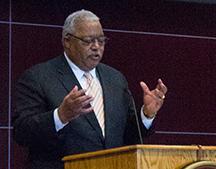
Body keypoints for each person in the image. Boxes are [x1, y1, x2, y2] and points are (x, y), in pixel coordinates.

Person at [13, 9, 167, 169]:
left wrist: (147, 115)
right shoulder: (38, 77)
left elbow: (129, 137)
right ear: (67, 41)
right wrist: (60, 116)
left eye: (101, 41)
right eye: (88, 41)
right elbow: (22, 133)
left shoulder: (115, 79)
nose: (96, 47)